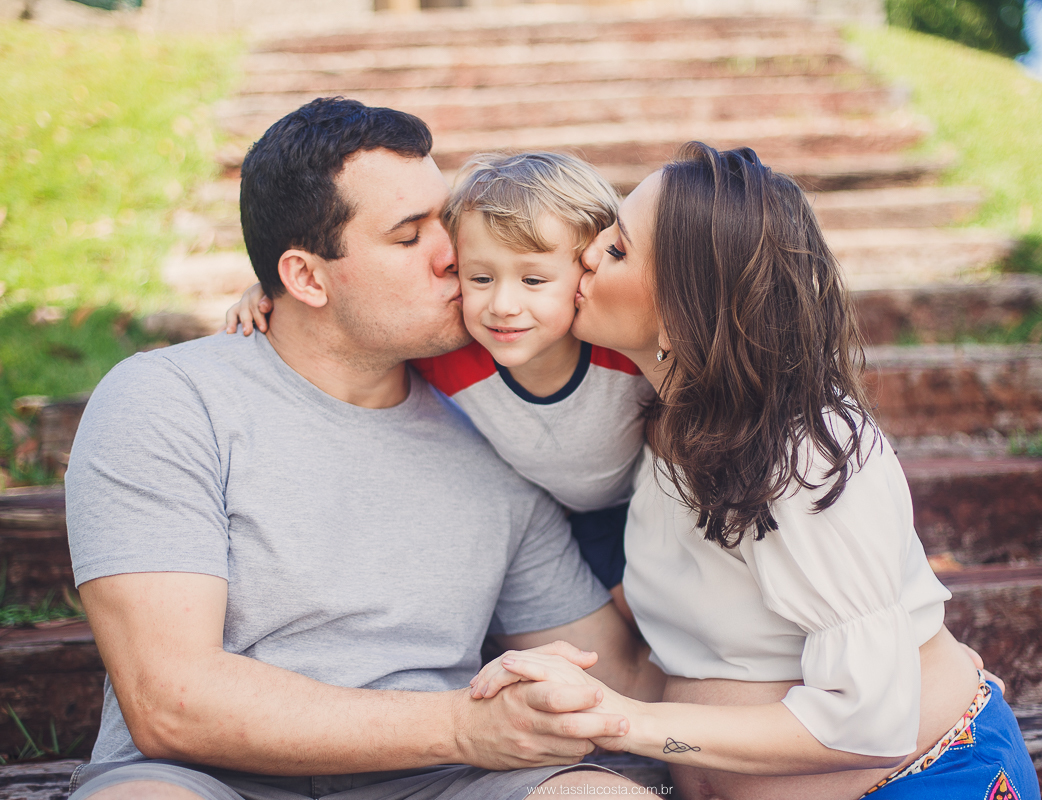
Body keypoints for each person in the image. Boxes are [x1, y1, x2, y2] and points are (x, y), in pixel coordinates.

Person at [63, 97, 660, 800]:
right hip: (207, 780)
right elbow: (173, 702)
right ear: (306, 278)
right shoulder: (168, 400)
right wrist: (464, 729)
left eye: (445, 220)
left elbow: (618, 676)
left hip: (436, 785)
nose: (456, 254)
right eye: (410, 237)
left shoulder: (495, 428)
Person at [471, 143, 1041, 800]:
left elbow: (867, 723)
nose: (587, 256)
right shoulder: (667, 416)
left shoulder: (805, 453)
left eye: (619, 250)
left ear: (686, 306)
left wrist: (626, 722)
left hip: (924, 782)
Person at [227, 152, 655, 623]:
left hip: (648, 495)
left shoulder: (618, 347)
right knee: (635, 618)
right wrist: (270, 290)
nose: (504, 305)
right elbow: (365, 320)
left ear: (588, 271)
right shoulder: (451, 356)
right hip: (563, 516)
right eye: (480, 278)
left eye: (533, 279)